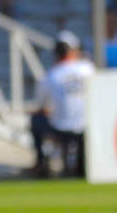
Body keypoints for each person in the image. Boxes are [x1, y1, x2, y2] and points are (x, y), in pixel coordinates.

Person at [30, 31, 94, 177]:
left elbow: (40, 105)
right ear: (74, 50)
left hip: (60, 127)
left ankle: (41, 162)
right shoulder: (88, 69)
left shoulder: (50, 76)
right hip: (85, 126)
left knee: (36, 119)